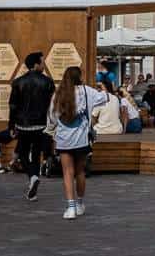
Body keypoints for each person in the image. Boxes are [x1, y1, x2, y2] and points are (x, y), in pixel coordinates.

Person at [47, 66, 107, 219]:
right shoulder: (87, 91)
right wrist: (102, 87)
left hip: (64, 139)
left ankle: (71, 207)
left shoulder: (58, 94)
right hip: (82, 139)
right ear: (79, 76)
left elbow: (52, 118)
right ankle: (80, 204)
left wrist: (51, 130)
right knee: (80, 172)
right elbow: (105, 98)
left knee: (67, 172)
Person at [8, 51, 55, 201]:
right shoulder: (48, 82)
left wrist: (11, 125)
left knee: (22, 153)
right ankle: (33, 178)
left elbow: (13, 106)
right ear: (36, 64)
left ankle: (32, 176)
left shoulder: (18, 82)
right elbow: (52, 105)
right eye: (42, 62)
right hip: (41, 125)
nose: (44, 65)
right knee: (36, 154)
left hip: (23, 125)